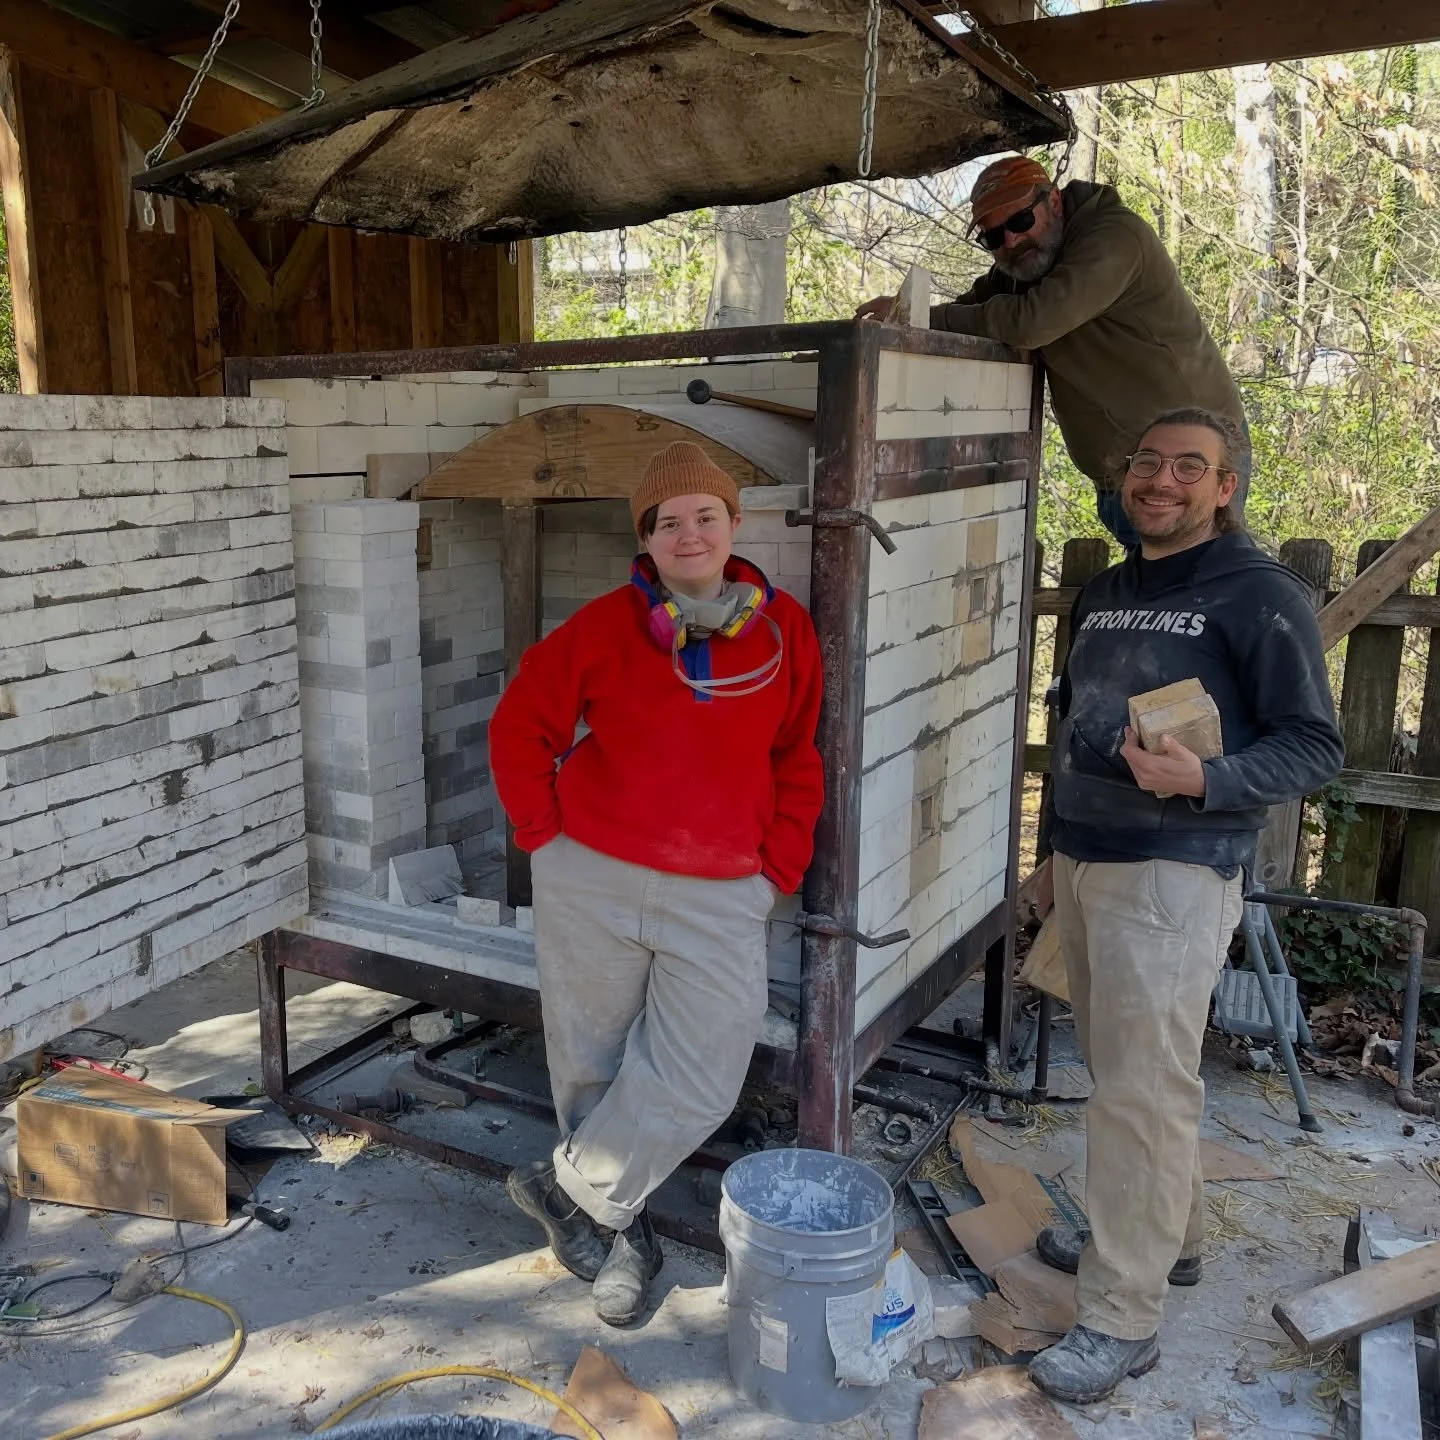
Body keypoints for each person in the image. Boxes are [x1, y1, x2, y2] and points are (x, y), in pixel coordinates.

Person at [1028, 407, 1343, 1404]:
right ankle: (1175, 1241)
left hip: (1173, 871)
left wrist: (1206, 780)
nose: (1161, 481)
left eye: (1188, 467)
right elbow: (1071, 726)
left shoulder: (1261, 594)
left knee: (1138, 1094)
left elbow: (1314, 745)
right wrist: (1048, 858)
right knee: (1136, 1077)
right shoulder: (1109, 590)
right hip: (1088, 860)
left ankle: (1123, 1316)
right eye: (1148, 462)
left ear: (1224, 488)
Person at [488, 439, 824, 1327]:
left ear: (732, 524)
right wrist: (543, 839)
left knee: (703, 1072)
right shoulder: (604, 627)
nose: (688, 534)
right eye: (668, 521)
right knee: (590, 1065)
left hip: (721, 888)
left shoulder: (784, 632)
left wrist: (776, 871)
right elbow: (521, 724)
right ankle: (620, 1238)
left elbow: (796, 756)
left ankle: (564, 1192)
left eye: (705, 516)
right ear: (646, 537)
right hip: (592, 876)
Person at [859, 156, 1248, 548]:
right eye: (993, 238)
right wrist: (906, 314)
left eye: (1020, 221)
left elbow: (1030, 323)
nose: (1011, 241)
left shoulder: (1115, 239)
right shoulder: (1022, 267)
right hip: (1123, 472)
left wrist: (926, 318)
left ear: (1055, 202)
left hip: (1192, 462)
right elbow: (971, 310)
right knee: (1160, 580)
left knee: (1204, 575)